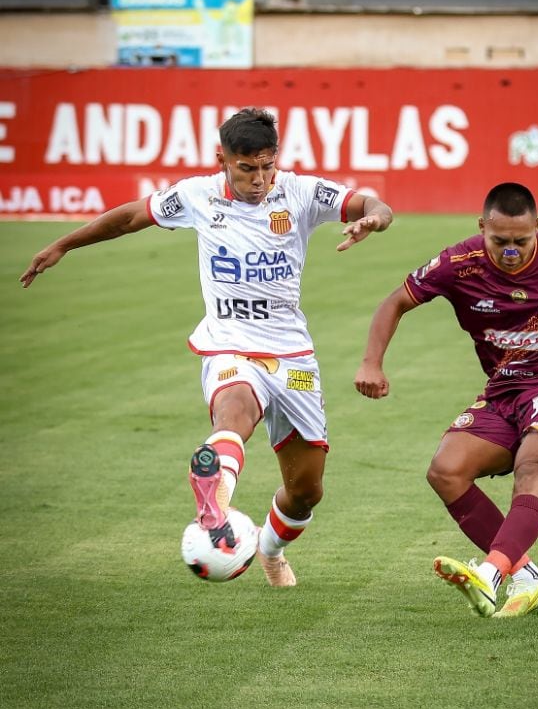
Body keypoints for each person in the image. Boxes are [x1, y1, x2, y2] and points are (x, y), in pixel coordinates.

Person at [20, 107, 393, 587]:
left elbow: (373, 205)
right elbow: (133, 216)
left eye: (267, 165)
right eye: (246, 167)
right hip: (228, 344)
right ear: (222, 159)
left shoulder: (299, 192)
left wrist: (373, 222)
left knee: (306, 493)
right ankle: (214, 503)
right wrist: (65, 244)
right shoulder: (197, 195)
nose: (259, 179)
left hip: (292, 355)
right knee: (234, 411)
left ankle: (270, 551)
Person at [354, 183, 538, 618]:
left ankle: (489, 575)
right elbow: (394, 301)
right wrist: (371, 364)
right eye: (500, 241)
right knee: (446, 471)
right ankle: (530, 577)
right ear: (481, 228)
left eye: (521, 241)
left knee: (533, 466)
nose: (511, 251)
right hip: (504, 389)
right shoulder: (457, 264)